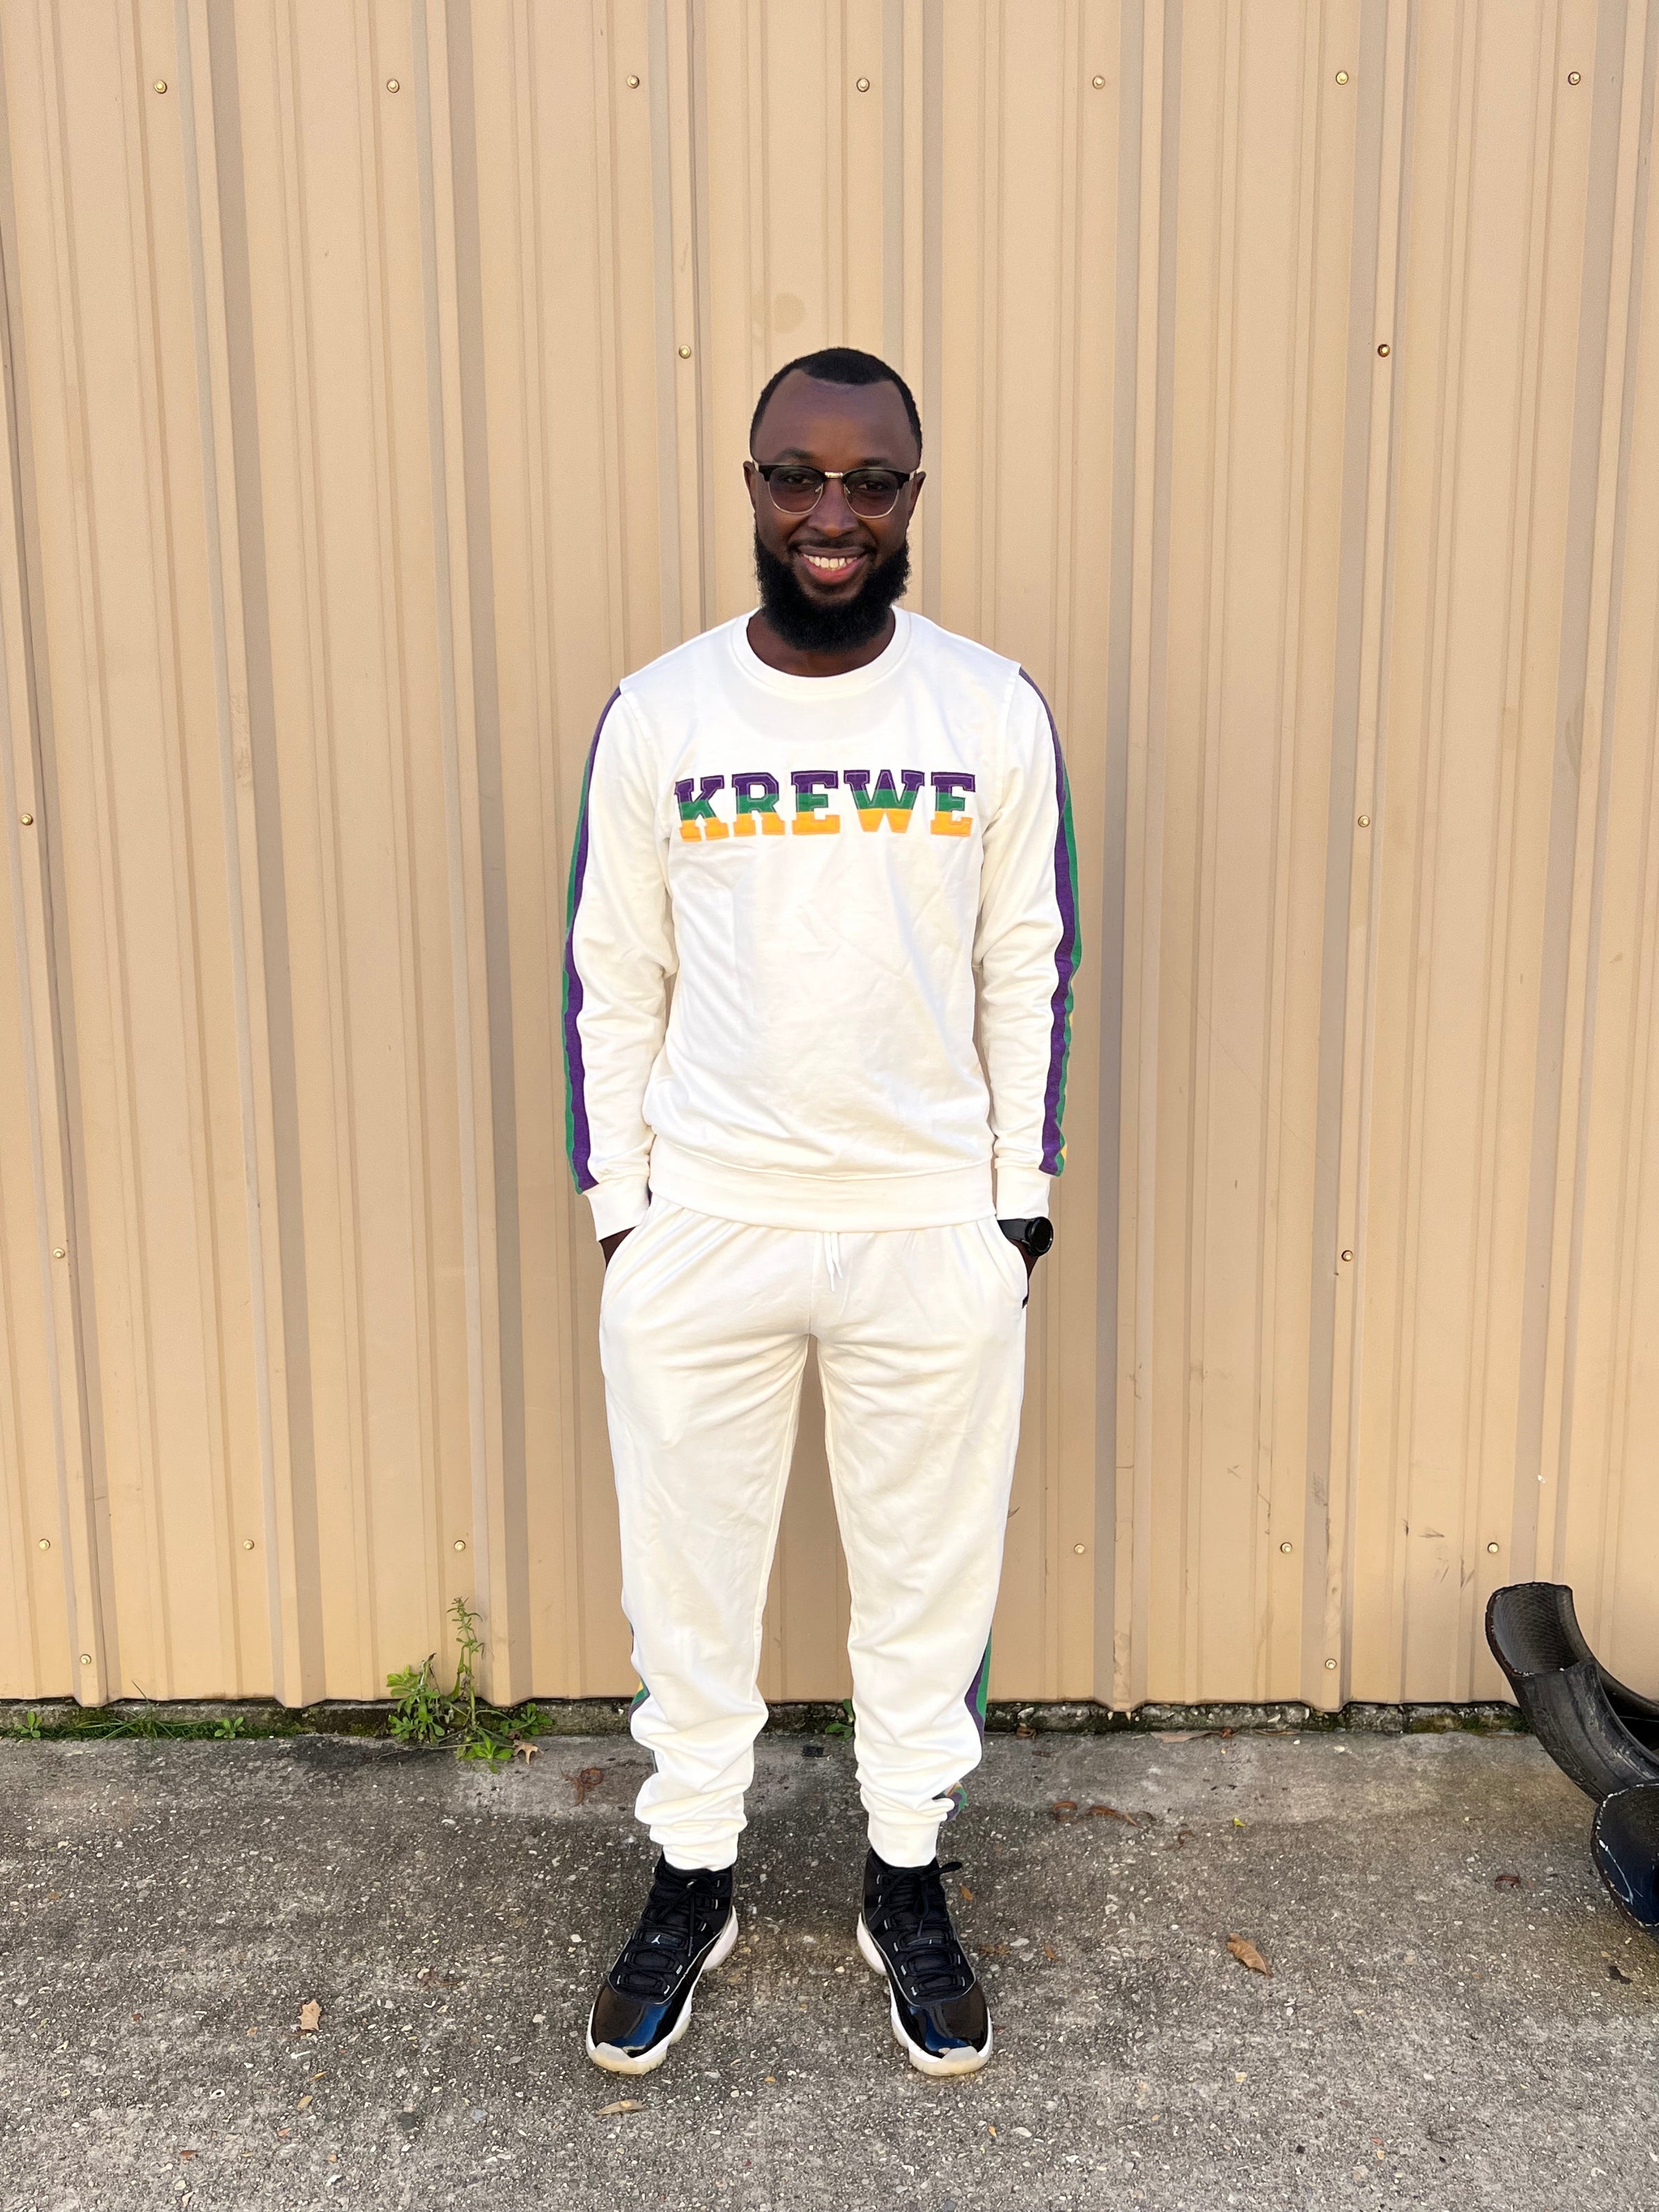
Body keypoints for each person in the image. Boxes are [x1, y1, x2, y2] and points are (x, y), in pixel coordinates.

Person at [562, 346, 1079, 2079]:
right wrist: (625, 1210)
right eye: (799, 474)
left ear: (915, 495)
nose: (832, 510)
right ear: (754, 487)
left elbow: (1030, 959)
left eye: (869, 478)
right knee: (686, 1583)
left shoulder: (988, 708)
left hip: (925, 1224)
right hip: (708, 1218)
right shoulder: (663, 713)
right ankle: (692, 1875)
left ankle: (905, 1877)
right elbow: (611, 972)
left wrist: (1012, 1211)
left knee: (928, 1580)